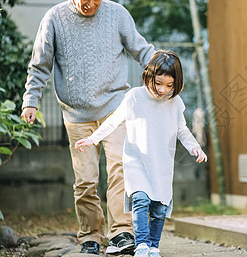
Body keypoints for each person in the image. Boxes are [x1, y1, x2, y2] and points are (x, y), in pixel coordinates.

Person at [21, 0, 156, 255]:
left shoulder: (117, 14)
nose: (91, 3)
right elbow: (40, 65)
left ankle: (121, 232)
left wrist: (162, 66)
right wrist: (31, 100)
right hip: (77, 115)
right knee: (85, 180)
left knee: (120, 170)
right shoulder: (54, 18)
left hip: (115, 108)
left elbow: (141, 50)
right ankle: (90, 235)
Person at [75, 50, 208, 257]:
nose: (163, 90)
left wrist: (194, 147)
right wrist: (93, 138)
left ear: (176, 83)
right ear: (149, 75)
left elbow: (182, 129)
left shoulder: (175, 103)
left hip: (161, 165)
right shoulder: (135, 97)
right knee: (140, 200)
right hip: (136, 162)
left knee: (159, 209)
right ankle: (142, 245)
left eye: (169, 85)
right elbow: (114, 120)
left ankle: (154, 246)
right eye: (158, 83)